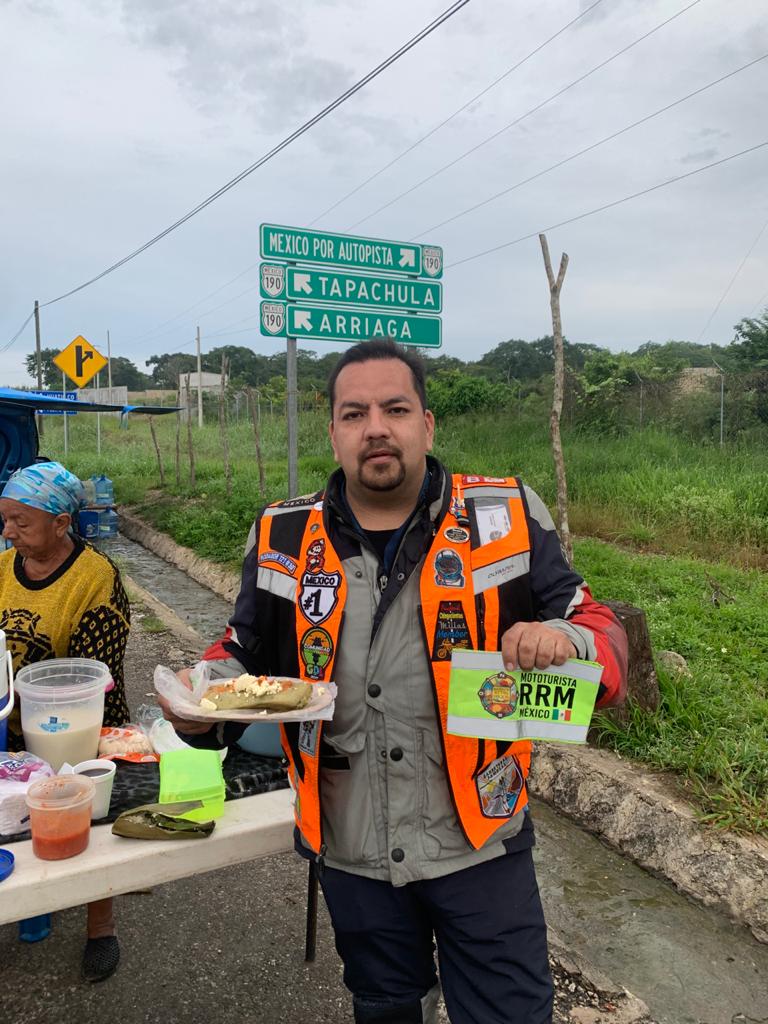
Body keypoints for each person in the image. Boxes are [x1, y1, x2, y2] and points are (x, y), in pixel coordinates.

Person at [162, 340, 628, 1024]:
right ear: (334, 432)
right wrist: (195, 698)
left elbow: (597, 626)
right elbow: (241, 650)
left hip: (482, 841)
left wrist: (564, 639)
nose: (375, 426)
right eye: (354, 413)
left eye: (395, 408)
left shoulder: (503, 515)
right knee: (383, 1005)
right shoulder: (283, 533)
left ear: (427, 424)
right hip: (350, 846)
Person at [0, 461, 130, 982]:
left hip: (78, 724)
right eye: (5, 519)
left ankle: (101, 927)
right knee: (17, 820)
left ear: (60, 523)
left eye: (20, 522)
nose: (8, 532)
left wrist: (32, 703)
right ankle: (30, 904)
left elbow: (88, 675)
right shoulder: (3, 566)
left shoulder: (95, 578)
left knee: (89, 823)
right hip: (8, 718)